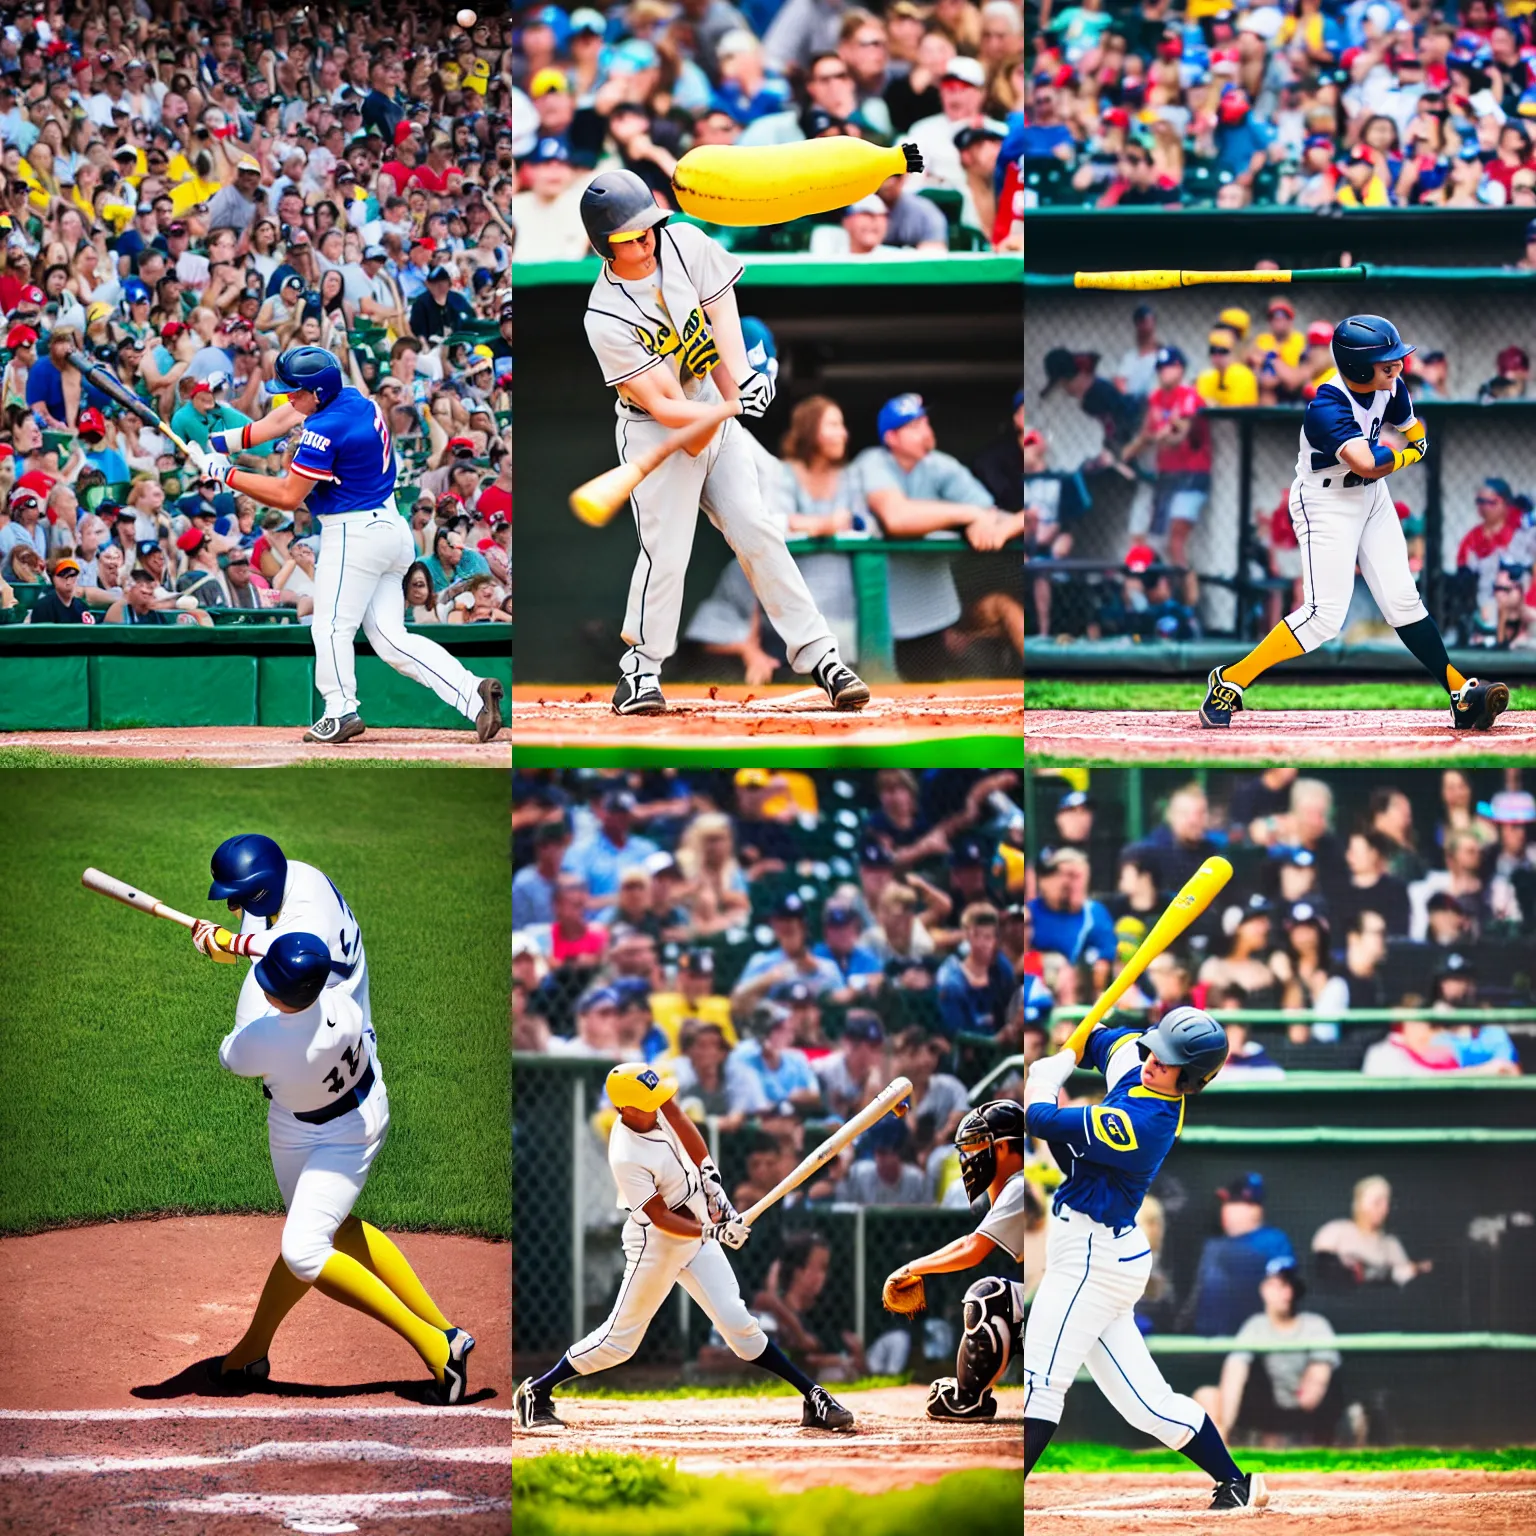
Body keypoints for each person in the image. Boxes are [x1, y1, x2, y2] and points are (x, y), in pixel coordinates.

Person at [191, 835, 471, 1406]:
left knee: (304, 1247)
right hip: (341, 1094)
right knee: (327, 1227)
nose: (231, 907)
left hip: (336, 1128)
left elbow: (235, 1048)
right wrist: (237, 941)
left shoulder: (266, 1041)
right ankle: (251, 1351)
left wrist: (227, 946)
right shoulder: (334, 995)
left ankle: (435, 1345)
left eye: (239, 899)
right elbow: (286, 950)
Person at [578, 170, 868, 715]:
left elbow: (722, 313)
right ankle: (639, 673)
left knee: (757, 528)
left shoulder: (683, 241)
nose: (645, 241)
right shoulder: (605, 315)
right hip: (654, 429)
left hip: (712, 400)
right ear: (603, 244)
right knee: (666, 552)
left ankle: (822, 657)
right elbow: (665, 406)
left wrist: (740, 382)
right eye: (630, 237)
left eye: (648, 229)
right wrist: (725, 407)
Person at [1201, 317, 1508, 734]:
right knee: (1323, 616)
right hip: (1325, 501)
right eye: (1387, 363)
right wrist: (1405, 454)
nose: (1397, 368)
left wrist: (1408, 442)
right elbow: (1367, 461)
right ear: (1359, 368)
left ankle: (1459, 694)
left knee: (1402, 599)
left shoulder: (1391, 386)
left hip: (1370, 497)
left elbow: (1412, 427)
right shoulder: (1327, 405)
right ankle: (1230, 680)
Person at [182, 346, 503, 745]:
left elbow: (287, 494)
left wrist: (226, 474)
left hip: (355, 533)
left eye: (295, 391)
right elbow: (285, 415)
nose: (288, 397)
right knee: (389, 639)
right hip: (390, 530)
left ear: (317, 393)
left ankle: (339, 709)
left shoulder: (324, 430)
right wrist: (222, 440)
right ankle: (472, 694)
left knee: (330, 626)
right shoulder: (353, 398)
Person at [513, 1064, 855, 1431]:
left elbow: (684, 1128)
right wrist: (713, 1232)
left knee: (738, 1324)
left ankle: (812, 1396)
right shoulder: (626, 1154)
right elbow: (661, 1215)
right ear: (623, 1109)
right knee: (618, 1342)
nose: (659, 1103)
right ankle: (537, 1390)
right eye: (649, 1102)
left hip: (696, 1232)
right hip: (656, 1245)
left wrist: (713, 1184)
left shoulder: (654, 1105)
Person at [1023, 1010, 1269, 1511]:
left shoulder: (1142, 1123)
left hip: (1092, 1257)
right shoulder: (1143, 1063)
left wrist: (1043, 1078)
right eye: (1156, 1048)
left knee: (1041, 1385)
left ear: (1192, 1080)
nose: (1154, 1060)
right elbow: (1101, 1042)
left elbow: (1040, 1120)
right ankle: (1236, 1483)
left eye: (1171, 1060)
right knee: (1145, 1404)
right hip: (1104, 1250)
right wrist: (1074, 1044)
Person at [849, 392, 1024, 679]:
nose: (925, 429)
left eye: (925, 422)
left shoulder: (940, 465)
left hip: (934, 613)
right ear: (891, 438)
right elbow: (897, 518)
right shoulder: (873, 463)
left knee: (938, 696)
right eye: (913, 426)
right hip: (874, 615)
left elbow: (989, 514)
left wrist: (993, 521)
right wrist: (967, 514)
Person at [879, 1101, 1026, 1418]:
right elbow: (970, 1240)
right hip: (1065, 1302)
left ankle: (967, 1400)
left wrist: (909, 1269)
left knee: (990, 1297)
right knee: (1008, 1297)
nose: (969, 1158)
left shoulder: (1020, 1185)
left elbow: (971, 1250)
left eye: (976, 1147)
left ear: (1001, 1149)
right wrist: (911, 1268)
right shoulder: (1015, 1187)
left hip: (1069, 1304)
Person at [1193, 1259, 1345, 1447]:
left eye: (1290, 1286)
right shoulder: (1255, 1326)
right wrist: (1224, 1426)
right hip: (1266, 1410)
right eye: (1279, 1285)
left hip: (1305, 1415)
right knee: (1206, 1395)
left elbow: (1311, 1396)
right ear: (1264, 1289)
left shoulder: (1315, 1324)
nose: (1286, 1293)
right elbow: (1235, 1370)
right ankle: (1223, 1455)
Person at [1186, 1175, 1297, 1339]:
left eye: (1231, 1203)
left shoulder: (1274, 1243)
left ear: (1254, 1209)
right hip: (1206, 1341)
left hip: (1255, 1342)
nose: (1224, 1209)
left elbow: (1283, 1294)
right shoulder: (1211, 1245)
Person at [1311, 1176, 1434, 1287]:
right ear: (1361, 1204)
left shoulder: (1390, 1245)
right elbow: (1323, 1271)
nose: (1384, 1210)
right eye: (1377, 1203)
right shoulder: (1334, 1232)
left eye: (1386, 1204)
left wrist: (1415, 1270)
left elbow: (1402, 1280)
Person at [28, 556, 92, 623]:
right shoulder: (43, 607)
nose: (68, 579)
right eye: (63, 574)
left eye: (73, 574)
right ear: (53, 578)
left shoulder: (82, 607)